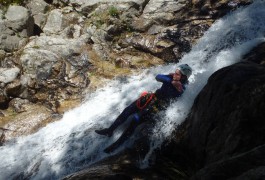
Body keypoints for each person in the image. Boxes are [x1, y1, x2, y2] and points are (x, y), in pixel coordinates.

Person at [95, 64, 192, 153]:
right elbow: (158, 77)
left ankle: (116, 145)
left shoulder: (182, 87)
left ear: (183, 77)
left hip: (157, 107)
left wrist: (174, 83)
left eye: (177, 73)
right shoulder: (171, 78)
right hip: (151, 98)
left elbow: (179, 92)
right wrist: (171, 79)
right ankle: (110, 130)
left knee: (135, 120)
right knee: (128, 110)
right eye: (174, 72)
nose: (174, 74)